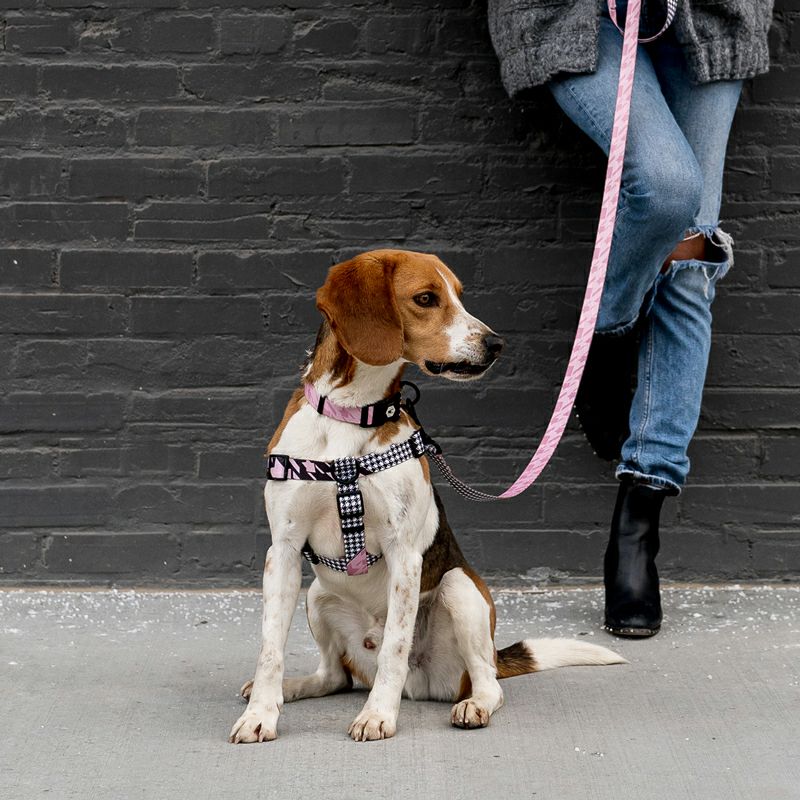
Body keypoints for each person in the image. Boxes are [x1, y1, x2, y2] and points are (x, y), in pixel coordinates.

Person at [488, 0, 774, 637]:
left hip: (711, 18)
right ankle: (610, 335)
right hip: (577, 16)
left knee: (691, 262)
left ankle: (637, 524)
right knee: (669, 187)